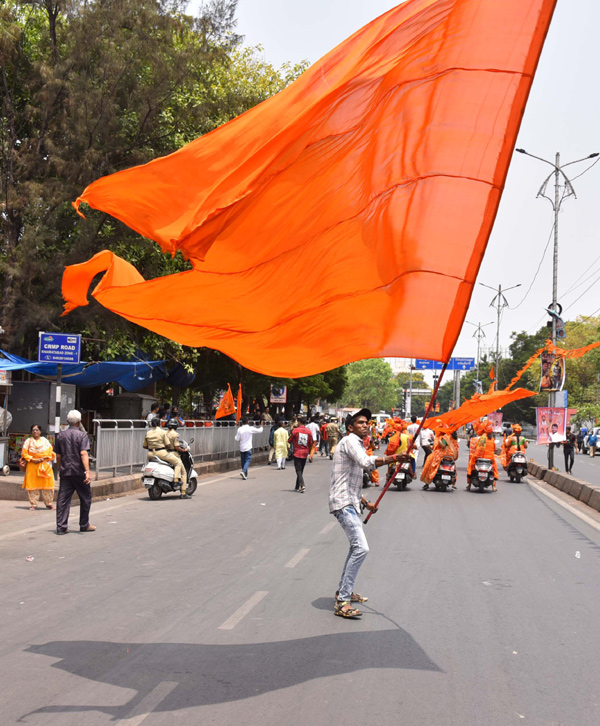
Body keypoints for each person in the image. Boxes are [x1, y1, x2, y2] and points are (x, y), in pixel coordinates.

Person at [329, 408, 404, 618]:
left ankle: (343, 591)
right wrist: (395, 457)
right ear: (351, 427)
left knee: (356, 548)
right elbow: (367, 463)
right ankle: (342, 601)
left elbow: (348, 481)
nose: (365, 425)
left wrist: (365, 502)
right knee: (361, 548)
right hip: (343, 504)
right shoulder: (350, 441)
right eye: (361, 422)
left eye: (367, 422)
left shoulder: (356, 443)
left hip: (349, 501)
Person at [54, 410, 94, 535]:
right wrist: (87, 471)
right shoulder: (82, 436)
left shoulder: (60, 435)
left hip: (66, 471)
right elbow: (83, 453)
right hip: (79, 471)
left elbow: (58, 456)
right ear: (79, 422)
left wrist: (60, 469)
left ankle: (61, 527)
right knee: (86, 497)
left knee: (63, 499)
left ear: (67, 421)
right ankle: (84, 524)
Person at [20, 424, 55, 510]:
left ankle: (49, 503)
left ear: (40, 431)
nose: (35, 432)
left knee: (47, 484)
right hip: (32, 465)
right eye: (33, 430)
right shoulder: (28, 441)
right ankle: (34, 504)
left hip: (45, 465)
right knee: (32, 485)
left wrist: (42, 458)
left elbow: (50, 452)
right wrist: (32, 459)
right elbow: (24, 453)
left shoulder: (45, 441)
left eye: (36, 430)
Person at [143, 417, 186, 488]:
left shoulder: (148, 433)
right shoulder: (163, 432)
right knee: (178, 462)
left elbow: (144, 446)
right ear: (159, 423)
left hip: (150, 454)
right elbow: (168, 445)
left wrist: (152, 447)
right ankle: (176, 480)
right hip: (161, 453)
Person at [421, 424, 459, 489]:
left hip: (444, 454)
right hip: (452, 455)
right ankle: (453, 484)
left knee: (430, 459)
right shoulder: (455, 437)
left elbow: (443, 446)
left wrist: (440, 441)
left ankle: (427, 481)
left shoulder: (446, 437)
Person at [467, 421, 498, 491]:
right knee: (494, 469)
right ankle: (494, 486)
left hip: (479, 457)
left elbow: (476, 447)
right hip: (490, 458)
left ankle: (469, 484)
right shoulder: (492, 439)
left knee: (471, 466)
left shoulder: (481, 438)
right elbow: (494, 448)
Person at [288, 416, 313, 492]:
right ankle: (297, 486)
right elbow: (311, 443)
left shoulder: (295, 431)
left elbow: (289, 440)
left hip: (297, 452)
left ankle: (302, 485)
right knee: (300, 470)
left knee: (298, 470)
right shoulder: (309, 432)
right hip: (305, 453)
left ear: (299, 422)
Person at [165, 419, 189, 498]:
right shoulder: (176, 434)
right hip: (174, 454)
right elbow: (176, 447)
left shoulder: (165, 433)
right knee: (184, 473)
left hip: (165, 453)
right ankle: (183, 493)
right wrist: (184, 450)